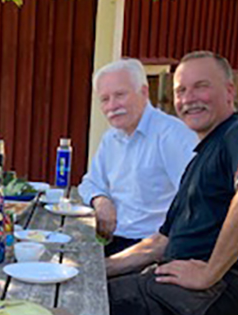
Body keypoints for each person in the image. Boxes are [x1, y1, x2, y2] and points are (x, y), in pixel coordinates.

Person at [105, 51, 238, 315]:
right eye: (181, 91)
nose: (188, 99)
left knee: (88, 305)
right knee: (88, 292)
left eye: (201, 86)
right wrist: (98, 269)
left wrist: (208, 273)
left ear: (229, 91)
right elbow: (161, 243)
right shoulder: (202, 155)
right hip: (188, 284)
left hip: (217, 291)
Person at [78, 58, 196, 255]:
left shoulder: (172, 136)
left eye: (120, 95)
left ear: (144, 92)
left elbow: (194, 203)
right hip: (114, 240)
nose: (112, 106)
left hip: (154, 248)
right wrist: (100, 200)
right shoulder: (111, 138)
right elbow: (90, 183)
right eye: (105, 99)